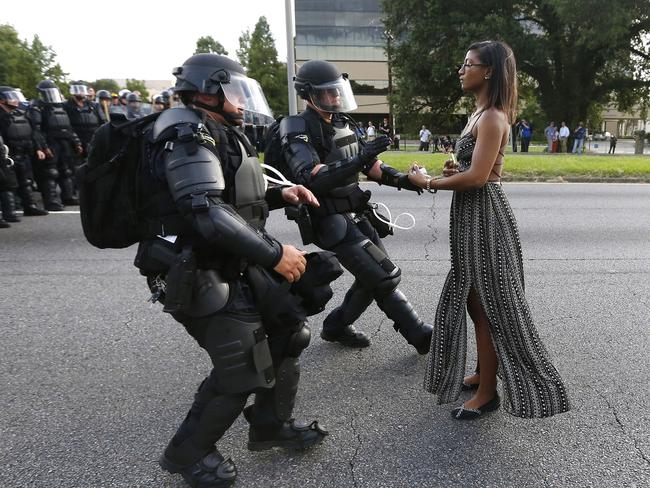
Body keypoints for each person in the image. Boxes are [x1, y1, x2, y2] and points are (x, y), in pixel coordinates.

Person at [132, 54, 329, 488]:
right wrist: (276, 254)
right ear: (207, 91)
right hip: (196, 267)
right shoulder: (185, 132)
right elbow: (206, 211)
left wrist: (282, 194)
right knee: (241, 366)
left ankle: (269, 424)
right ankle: (188, 453)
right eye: (234, 91)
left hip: (233, 260)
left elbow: (233, 196)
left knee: (288, 332)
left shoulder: (213, 129)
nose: (242, 101)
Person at [408, 41, 570, 420]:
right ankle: (484, 372)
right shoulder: (478, 114)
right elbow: (472, 169)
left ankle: (488, 393)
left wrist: (428, 181)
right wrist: (453, 171)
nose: (461, 70)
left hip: (485, 217)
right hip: (471, 215)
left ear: (489, 71)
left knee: (491, 306)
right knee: (473, 299)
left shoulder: (494, 116)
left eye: (469, 64)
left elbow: (480, 177)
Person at [277, 59, 433, 353]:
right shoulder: (296, 126)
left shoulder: (343, 123)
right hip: (328, 218)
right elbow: (310, 177)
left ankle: (336, 326)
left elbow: (372, 166)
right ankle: (420, 335)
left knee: (372, 276)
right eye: (328, 93)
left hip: (356, 212)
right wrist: (360, 159)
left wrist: (406, 180)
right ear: (309, 94)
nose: (336, 98)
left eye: (337, 91)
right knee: (384, 276)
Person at [29, 80, 83, 209]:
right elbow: (36, 130)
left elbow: (68, 127)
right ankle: (51, 201)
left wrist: (76, 142)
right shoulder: (37, 107)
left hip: (64, 142)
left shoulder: (61, 107)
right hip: (50, 142)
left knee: (67, 171)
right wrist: (43, 147)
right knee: (50, 172)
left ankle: (68, 196)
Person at [0, 86, 49, 217]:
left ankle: (30, 207)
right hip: (7, 155)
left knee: (26, 181)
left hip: (24, 153)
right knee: (7, 185)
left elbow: (33, 133)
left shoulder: (22, 113)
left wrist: (39, 148)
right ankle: (9, 213)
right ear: (2, 100)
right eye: (11, 97)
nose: (15, 100)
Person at [64, 82, 101, 155]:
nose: (81, 92)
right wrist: (76, 142)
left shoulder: (94, 105)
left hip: (93, 142)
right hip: (76, 143)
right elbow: (66, 125)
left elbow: (102, 122)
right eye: (78, 90)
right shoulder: (66, 105)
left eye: (82, 89)